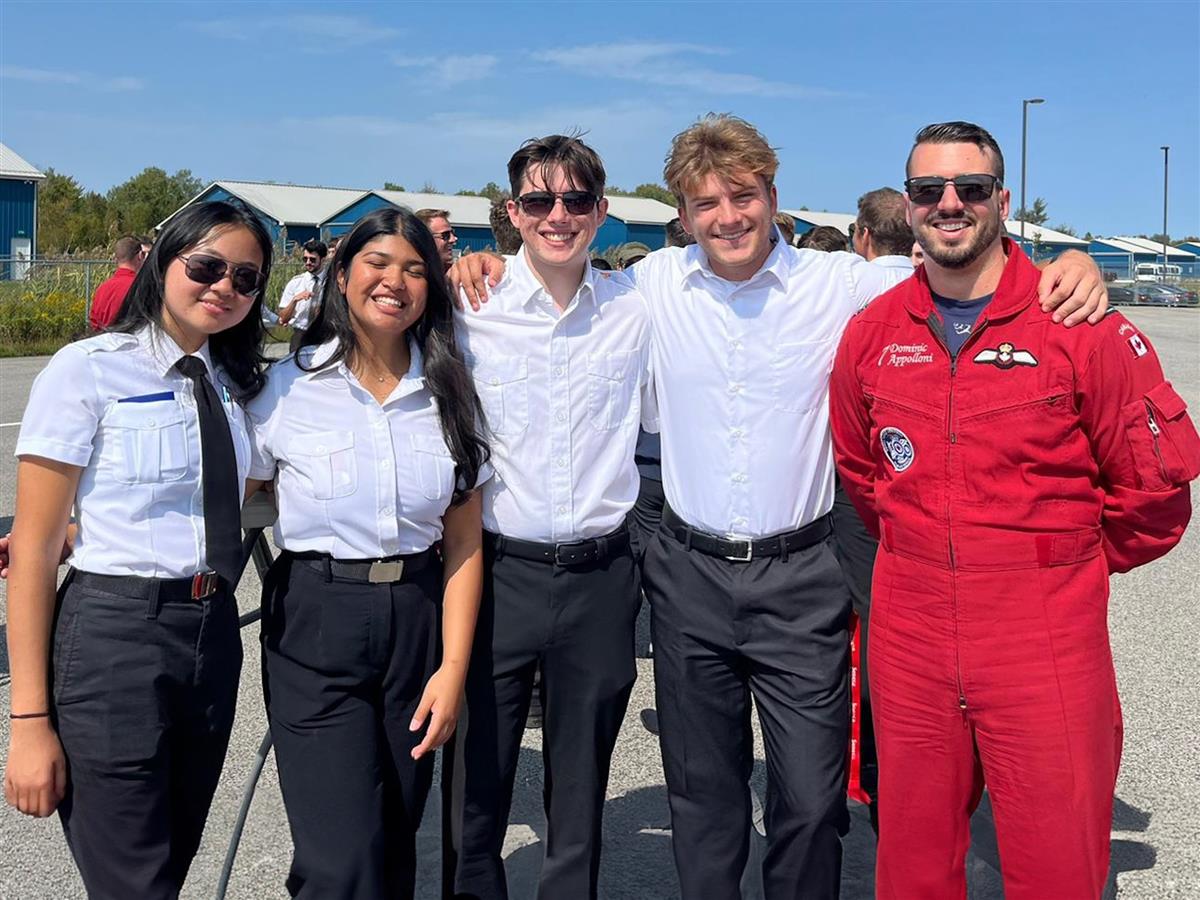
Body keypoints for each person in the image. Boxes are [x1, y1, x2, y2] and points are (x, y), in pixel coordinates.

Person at [451, 113, 1108, 900]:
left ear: (772, 196)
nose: (728, 216)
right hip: (686, 575)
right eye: (706, 203)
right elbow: (555, 274)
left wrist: (1066, 263)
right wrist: (477, 262)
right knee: (702, 798)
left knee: (808, 798)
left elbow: (959, 256)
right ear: (683, 217)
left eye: (744, 195)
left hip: (801, 578)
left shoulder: (841, 285)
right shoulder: (650, 288)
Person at [830, 120, 1199, 900]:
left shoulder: (1081, 328)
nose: (950, 204)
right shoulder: (871, 334)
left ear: (1002, 200)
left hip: (1042, 630)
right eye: (931, 191)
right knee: (913, 863)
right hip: (911, 626)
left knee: (1056, 860)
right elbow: (863, 474)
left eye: (970, 188)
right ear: (910, 205)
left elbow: (1154, 498)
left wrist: (1058, 560)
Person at [4, 201, 272, 898]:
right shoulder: (88, 370)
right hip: (115, 636)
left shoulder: (237, 386)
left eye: (245, 279)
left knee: (169, 863)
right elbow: (32, 550)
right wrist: (29, 721)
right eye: (207, 266)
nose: (224, 287)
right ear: (163, 263)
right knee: (134, 882)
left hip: (212, 636)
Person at [244, 207, 488, 900]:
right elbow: (224, 494)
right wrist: (80, 526)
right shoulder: (285, 389)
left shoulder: (451, 391)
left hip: (416, 612)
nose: (396, 281)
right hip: (316, 615)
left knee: (392, 830)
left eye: (415, 269)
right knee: (339, 851)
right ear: (342, 276)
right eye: (378, 264)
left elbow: (465, 542)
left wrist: (452, 669)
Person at [443, 134, 652, 900]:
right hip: (495, 570)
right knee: (476, 780)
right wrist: (459, 263)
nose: (557, 215)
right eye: (539, 200)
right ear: (512, 213)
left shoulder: (637, 305)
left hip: (601, 573)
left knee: (580, 786)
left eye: (574, 200)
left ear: (601, 211)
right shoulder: (471, 305)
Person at [840, 185, 917, 828]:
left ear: (862, 235)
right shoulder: (936, 291)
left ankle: (860, 773)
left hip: (844, 492)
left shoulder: (842, 288)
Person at [88, 234, 149, 330]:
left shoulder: (102, 288)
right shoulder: (141, 287)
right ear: (140, 255)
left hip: (104, 341)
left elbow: (94, 324)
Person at [278, 239, 328, 351]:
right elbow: (283, 318)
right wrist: (294, 301)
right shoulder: (295, 283)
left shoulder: (332, 283)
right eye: (305, 259)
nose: (308, 262)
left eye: (312, 259)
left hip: (324, 335)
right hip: (300, 335)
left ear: (323, 260)